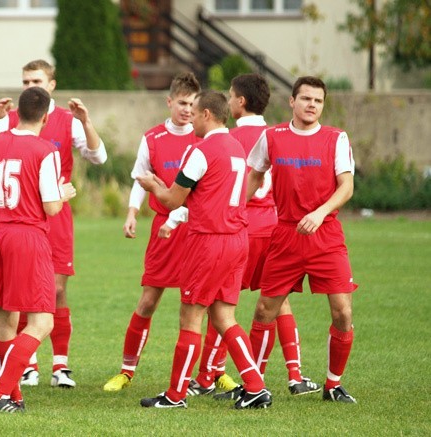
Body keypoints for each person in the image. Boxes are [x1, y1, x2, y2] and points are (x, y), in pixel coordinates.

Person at [0, 59, 107, 388]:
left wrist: (86, 123)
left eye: (35, 79)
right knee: (32, 311)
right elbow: (48, 203)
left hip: (7, 227)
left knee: (37, 299)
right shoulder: (29, 137)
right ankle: (14, 378)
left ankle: (51, 369)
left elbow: (98, 155)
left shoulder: (60, 122)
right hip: (32, 223)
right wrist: (61, 192)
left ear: (51, 85)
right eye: (25, 80)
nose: (30, 84)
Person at [136, 90, 271, 410]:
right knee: (224, 316)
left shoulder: (202, 150)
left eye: (195, 113)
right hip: (238, 239)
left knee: (191, 317)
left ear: (208, 115)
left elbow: (171, 200)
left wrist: (154, 186)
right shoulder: (237, 148)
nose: (190, 118)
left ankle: (175, 395)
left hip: (209, 241)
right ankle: (255, 386)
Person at [192, 73, 321, 400]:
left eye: (232, 96)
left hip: (239, 226)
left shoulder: (228, 139)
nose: (229, 100)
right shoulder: (278, 134)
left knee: (219, 305)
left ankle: (208, 376)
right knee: (279, 301)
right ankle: (295, 375)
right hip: (274, 227)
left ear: (240, 102)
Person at [245, 76, 358, 404]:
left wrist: (320, 213)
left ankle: (333, 385)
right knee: (265, 309)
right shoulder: (272, 137)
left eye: (318, 101)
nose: (311, 105)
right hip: (285, 234)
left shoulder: (336, 138)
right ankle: (254, 384)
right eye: (306, 99)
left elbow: (346, 186)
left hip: (326, 235)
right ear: (292, 102)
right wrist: (235, 209)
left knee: (343, 312)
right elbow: (254, 173)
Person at [102, 72, 212, 392]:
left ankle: (203, 375)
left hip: (197, 229)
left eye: (193, 103)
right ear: (170, 102)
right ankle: (126, 370)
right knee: (149, 300)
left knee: (198, 305)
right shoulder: (152, 138)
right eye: (182, 103)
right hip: (163, 230)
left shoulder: (205, 138)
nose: (188, 109)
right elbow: (141, 178)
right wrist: (132, 213)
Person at [0, 87, 76, 413]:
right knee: (42, 321)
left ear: (17, 112)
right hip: (27, 234)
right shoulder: (45, 149)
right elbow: (50, 206)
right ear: (47, 116)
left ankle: (12, 396)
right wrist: (64, 192)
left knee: (6, 318)